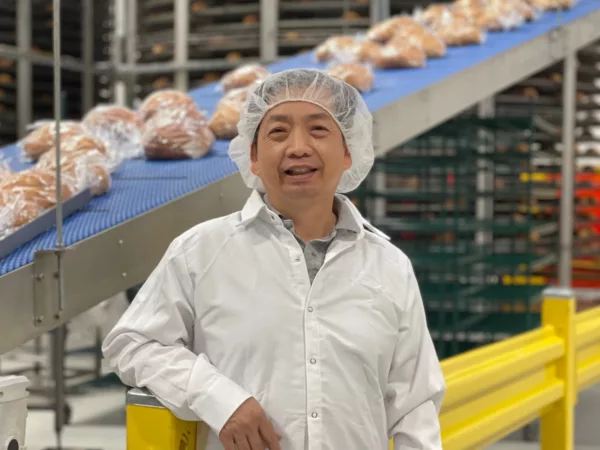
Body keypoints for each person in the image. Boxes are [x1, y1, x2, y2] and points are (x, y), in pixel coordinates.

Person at [102, 68, 445, 450]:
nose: (298, 147)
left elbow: (414, 405)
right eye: (278, 132)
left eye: (318, 129)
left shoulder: (389, 266)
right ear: (253, 155)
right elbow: (132, 343)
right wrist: (216, 397)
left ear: (349, 151)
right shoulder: (201, 252)